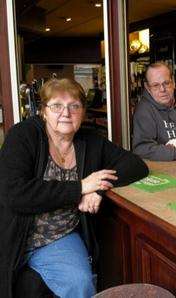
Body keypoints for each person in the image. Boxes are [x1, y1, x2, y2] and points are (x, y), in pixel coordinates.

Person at [0, 78, 149, 297]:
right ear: (43, 111)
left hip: (58, 237)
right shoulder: (23, 136)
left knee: (81, 285)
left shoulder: (90, 142)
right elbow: (14, 193)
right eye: (56, 106)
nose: (66, 113)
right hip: (14, 235)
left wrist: (97, 188)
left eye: (74, 106)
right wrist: (79, 187)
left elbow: (136, 165)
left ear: (83, 112)